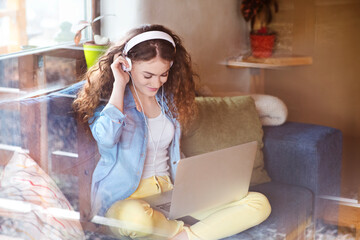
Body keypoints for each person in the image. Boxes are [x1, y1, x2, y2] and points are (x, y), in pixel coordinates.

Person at [73, 24, 271, 240]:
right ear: (126, 65)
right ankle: (185, 232)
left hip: (170, 194)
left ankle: (185, 237)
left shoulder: (168, 102)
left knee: (258, 203)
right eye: (148, 75)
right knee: (137, 220)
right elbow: (106, 138)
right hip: (125, 201)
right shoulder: (111, 101)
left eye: (163, 74)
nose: (156, 83)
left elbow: (172, 155)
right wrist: (120, 85)